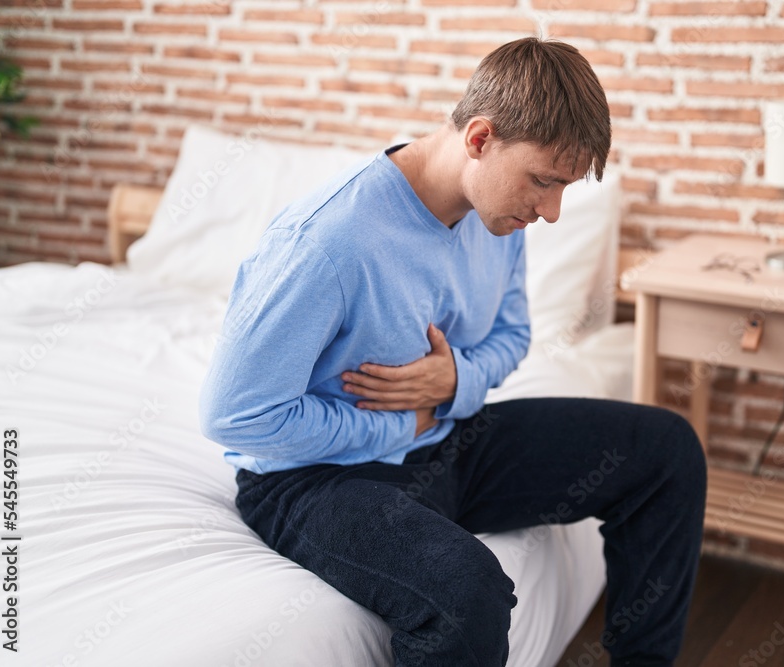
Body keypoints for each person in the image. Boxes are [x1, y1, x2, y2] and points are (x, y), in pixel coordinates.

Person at [198, 37, 706, 667]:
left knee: (667, 451)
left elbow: (513, 335)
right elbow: (237, 417)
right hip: (317, 480)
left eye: (564, 189)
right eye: (543, 182)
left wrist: (452, 380)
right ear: (480, 138)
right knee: (469, 591)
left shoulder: (498, 216)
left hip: (444, 437)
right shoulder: (327, 242)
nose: (550, 212)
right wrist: (390, 421)